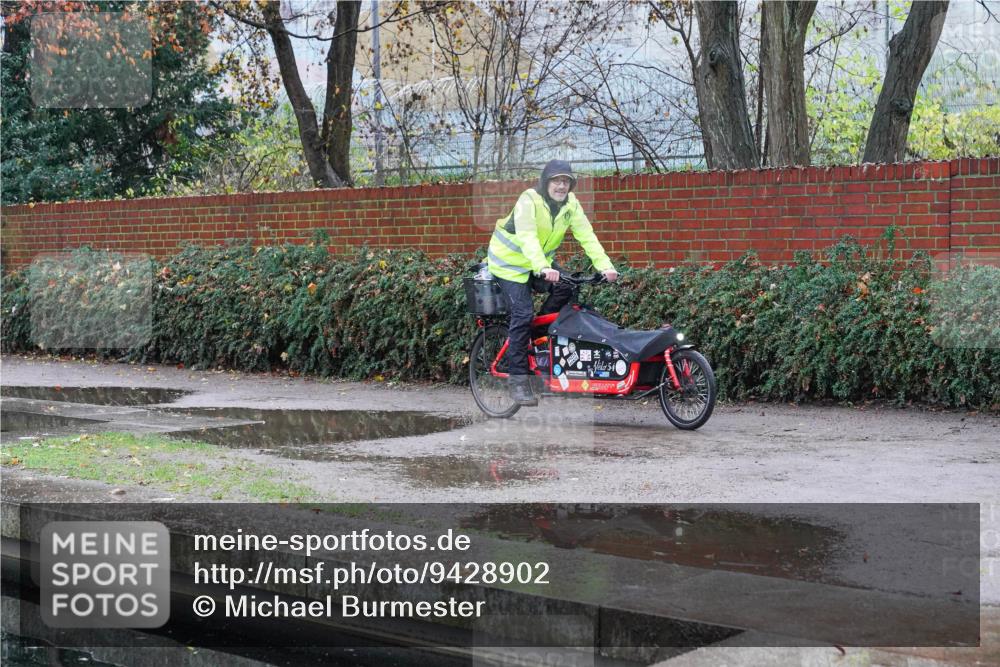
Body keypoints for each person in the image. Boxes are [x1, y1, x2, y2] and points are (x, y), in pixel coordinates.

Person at [487, 159, 619, 406]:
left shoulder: (571, 204)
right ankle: (517, 381)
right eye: (556, 181)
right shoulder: (528, 200)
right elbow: (527, 236)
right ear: (545, 182)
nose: (561, 186)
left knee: (567, 287)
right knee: (522, 314)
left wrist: (605, 266)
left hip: (538, 263)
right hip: (509, 265)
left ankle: (537, 338)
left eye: (566, 181)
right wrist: (542, 267)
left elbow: (587, 235)